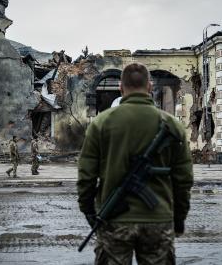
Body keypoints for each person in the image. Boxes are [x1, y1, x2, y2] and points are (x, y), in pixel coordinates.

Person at [77, 63, 193, 265]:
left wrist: (89, 211)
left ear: (121, 88)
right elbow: (183, 180)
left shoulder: (100, 123)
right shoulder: (173, 125)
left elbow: (86, 177)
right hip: (158, 219)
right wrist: (179, 218)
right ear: (149, 87)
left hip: (114, 221)